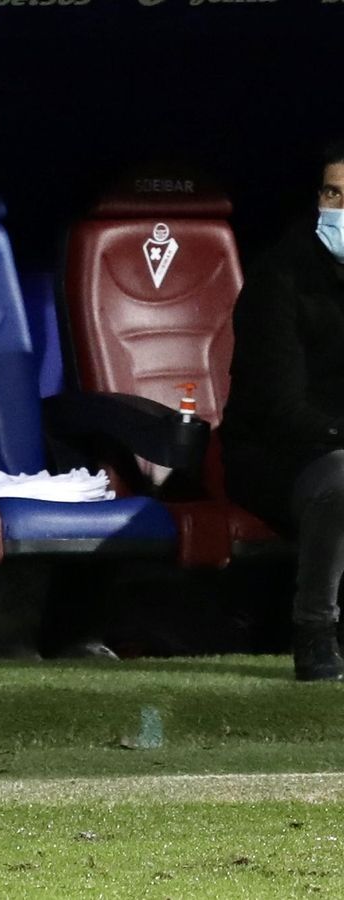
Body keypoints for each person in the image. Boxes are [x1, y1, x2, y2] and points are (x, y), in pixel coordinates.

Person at [223, 141, 344, 683]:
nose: (340, 210)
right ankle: (315, 631)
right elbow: (279, 407)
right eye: (333, 194)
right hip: (274, 456)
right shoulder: (280, 277)